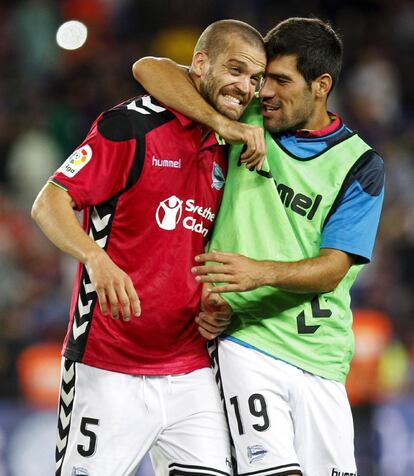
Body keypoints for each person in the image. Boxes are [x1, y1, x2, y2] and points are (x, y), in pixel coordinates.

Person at [132, 17, 385, 476]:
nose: (263, 92)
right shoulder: (244, 117)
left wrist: (259, 272)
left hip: (321, 355)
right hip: (244, 339)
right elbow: (149, 68)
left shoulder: (360, 165)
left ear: (321, 85)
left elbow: (332, 269)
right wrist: (219, 124)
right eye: (262, 79)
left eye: (281, 81)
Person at [31, 19, 266, 476]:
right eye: (236, 70)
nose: (246, 87)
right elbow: (48, 202)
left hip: (192, 370)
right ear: (199, 64)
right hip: (107, 365)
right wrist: (95, 258)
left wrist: (217, 303)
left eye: (255, 79)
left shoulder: (231, 144)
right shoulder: (129, 127)